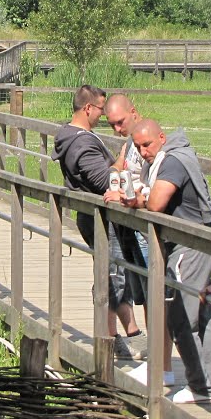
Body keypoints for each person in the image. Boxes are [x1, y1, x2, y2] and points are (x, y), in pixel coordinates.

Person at [111, 119, 211, 404]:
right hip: (182, 245)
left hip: (189, 246)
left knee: (183, 316)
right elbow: (144, 193)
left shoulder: (172, 162)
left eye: (147, 145)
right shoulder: (158, 161)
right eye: (138, 147)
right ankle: (207, 382)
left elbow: (155, 203)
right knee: (199, 315)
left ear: (162, 138)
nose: (143, 152)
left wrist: (131, 199)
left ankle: (201, 387)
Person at [52, 85, 147, 361]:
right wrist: (121, 165)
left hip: (96, 217)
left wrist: (118, 163)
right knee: (112, 276)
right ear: (88, 108)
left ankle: (128, 333)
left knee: (113, 274)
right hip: (100, 218)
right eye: (101, 109)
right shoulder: (81, 142)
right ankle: (112, 337)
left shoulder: (72, 136)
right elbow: (103, 181)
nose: (103, 115)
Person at [103, 94, 174, 383]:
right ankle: (155, 357)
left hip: (151, 232)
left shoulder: (150, 145)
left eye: (120, 122)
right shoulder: (130, 144)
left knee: (157, 297)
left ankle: (163, 363)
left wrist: (126, 193)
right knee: (145, 296)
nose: (118, 129)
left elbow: (152, 192)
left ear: (133, 112)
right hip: (135, 229)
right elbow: (116, 170)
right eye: (112, 125)